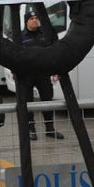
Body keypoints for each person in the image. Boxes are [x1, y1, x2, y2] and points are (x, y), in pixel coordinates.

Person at [20, 10, 64, 140]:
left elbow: (53, 53)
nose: (35, 20)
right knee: (28, 102)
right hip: (26, 75)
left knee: (47, 100)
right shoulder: (20, 36)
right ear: (26, 21)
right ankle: (31, 129)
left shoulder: (44, 35)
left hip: (43, 73)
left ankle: (50, 129)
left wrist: (56, 70)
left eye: (36, 18)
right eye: (32, 18)